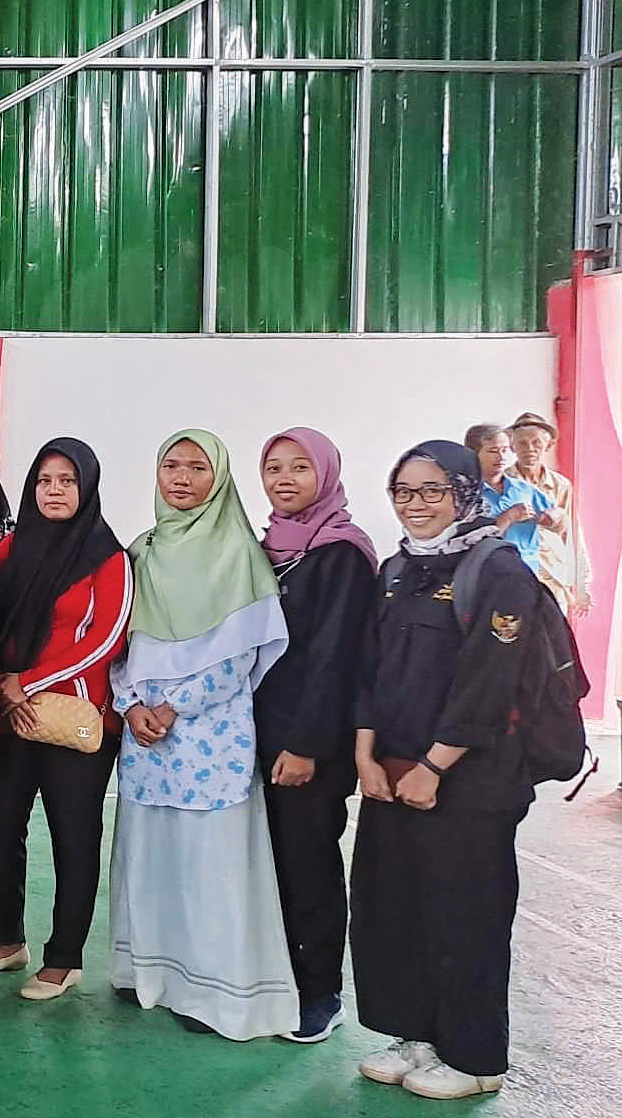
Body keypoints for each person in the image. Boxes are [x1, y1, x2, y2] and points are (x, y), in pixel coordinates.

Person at [351, 440, 542, 1101]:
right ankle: (418, 1034)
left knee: (468, 915)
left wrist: (436, 763)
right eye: (403, 491)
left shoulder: (499, 571)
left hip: (469, 782)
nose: (416, 504)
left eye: (432, 490)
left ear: (463, 493)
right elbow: (370, 665)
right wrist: (364, 753)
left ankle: (475, 1056)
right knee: (395, 909)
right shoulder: (396, 569)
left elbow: (489, 682)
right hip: (393, 776)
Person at [108, 430, 296, 1040]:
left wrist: (172, 707)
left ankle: (217, 994)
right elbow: (118, 644)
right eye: (171, 465)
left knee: (210, 867)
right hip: (146, 743)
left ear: (218, 478)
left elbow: (239, 657)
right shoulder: (140, 552)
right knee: (154, 859)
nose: (182, 477)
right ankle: (153, 976)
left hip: (210, 741)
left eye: (197, 467)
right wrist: (132, 704)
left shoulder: (240, 555)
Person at [0, 439, 129, 1003]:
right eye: (44, 481)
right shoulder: (11, 547)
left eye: (66, 481)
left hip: (75, 722)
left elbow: (107, 638)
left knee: (73, 839)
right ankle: (4, 939)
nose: (54, 491)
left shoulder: (107, 556)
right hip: (10, 718)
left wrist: (26, 682)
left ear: (86, 488)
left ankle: (65, 958)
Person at [252, 428, 377, 1043]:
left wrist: (304, 745)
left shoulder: (342, 553)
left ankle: (318, 993)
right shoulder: (267, 547)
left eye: (300, 467)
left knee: (308, 866)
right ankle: (272, 982)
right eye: (274, 467)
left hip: (307, 745)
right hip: (254, 737)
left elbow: (335, 657)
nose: (285, 478)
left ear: (325, 474)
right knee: (266, 865)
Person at [508, 411, 593, 618]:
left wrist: (582, 584)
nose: (529, 449)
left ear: (548, 446)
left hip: (553, 575)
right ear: (512, 447)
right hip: (515, 573)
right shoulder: (504, 483)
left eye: (536, 443)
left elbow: (572, 533)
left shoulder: (560, 485)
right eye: (522, 443)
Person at [464, 423, 558, 576]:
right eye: (493, 451)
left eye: (505, 450)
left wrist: (547, 517)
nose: (501, 457)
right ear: (473, 454)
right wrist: (509, 517)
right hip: (486, 574)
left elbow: (557, 515)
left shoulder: (523, 489)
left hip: (526, 571)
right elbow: (471, 543)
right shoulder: (466, 494)